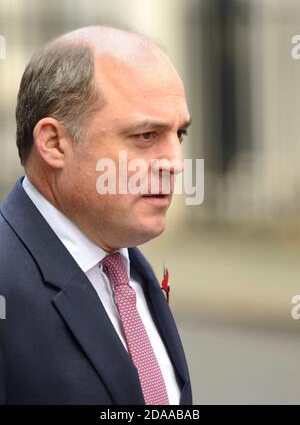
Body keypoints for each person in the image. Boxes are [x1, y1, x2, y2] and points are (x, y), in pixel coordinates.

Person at [0, 26, 192, 405]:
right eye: (145, 136)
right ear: (55, 143)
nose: (176, 163)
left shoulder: (127, 266)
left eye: (179, 135)